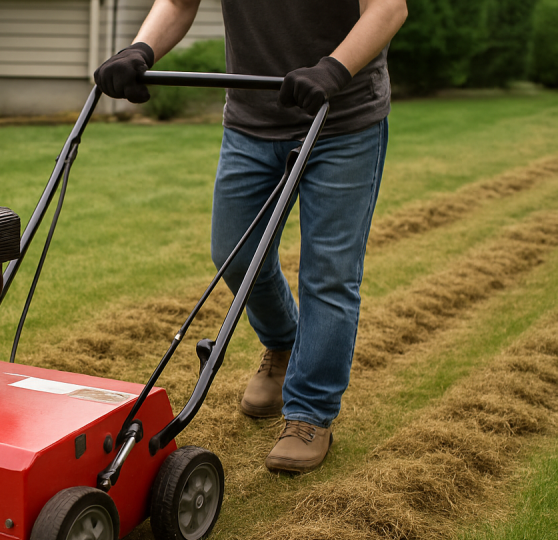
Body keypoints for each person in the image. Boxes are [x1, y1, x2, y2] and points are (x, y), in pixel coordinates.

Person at [94, 0, 408, 474]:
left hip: (342, 119)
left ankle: (309, 413)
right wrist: (140, 50)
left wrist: (333, 69)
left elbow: (388, 9)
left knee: (329, 273)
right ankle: (283, 343)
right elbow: (179, 3)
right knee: (235, 254)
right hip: (251, 120)